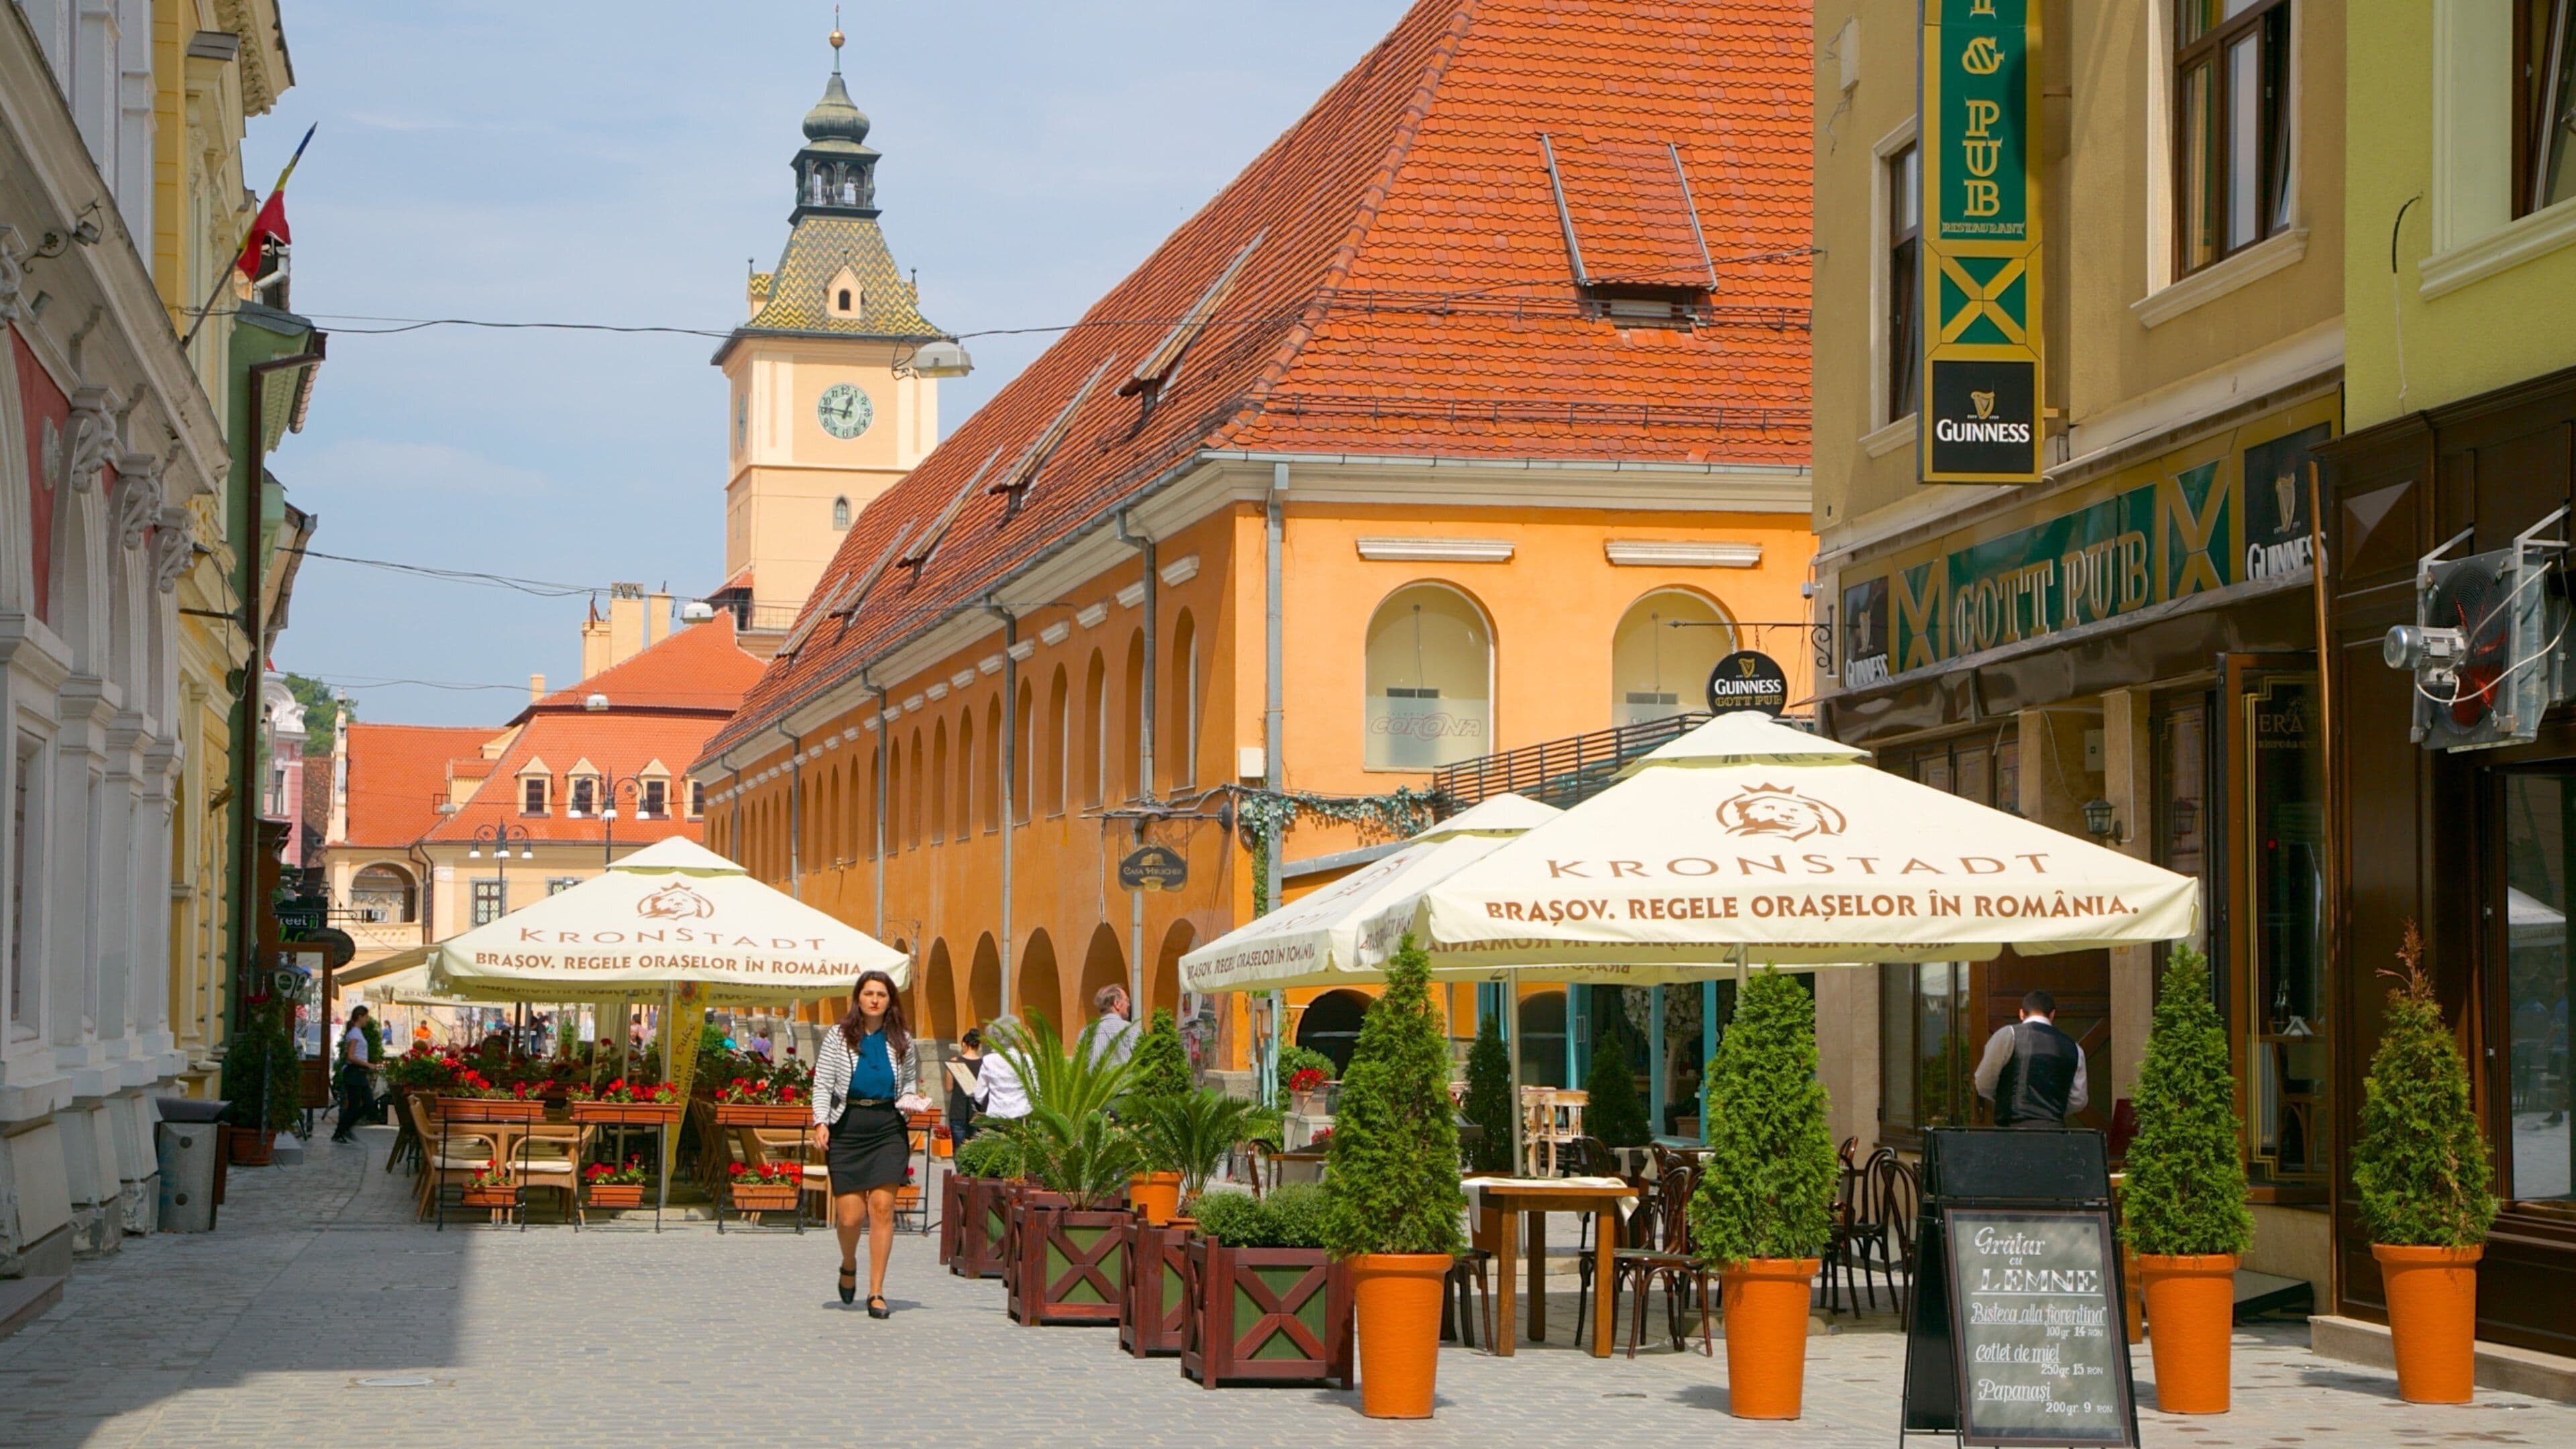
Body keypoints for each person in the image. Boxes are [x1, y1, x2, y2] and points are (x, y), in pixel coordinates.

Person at [810, 971, 918, 1318]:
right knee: (850, 1216)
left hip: (888, 1127)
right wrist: (821, 1121)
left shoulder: (903, 1040)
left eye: (881, 994)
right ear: (858, 997)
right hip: (848, 1127)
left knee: (883, 1208)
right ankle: (848, 1262)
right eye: (869, 993)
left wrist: (911, 1101)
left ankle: (876, 1292)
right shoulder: (838, 1036)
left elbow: (909, 1084)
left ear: (890, 1001)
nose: (874, 1000)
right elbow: (823, 1083)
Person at [1973, 989, 2090, 1130]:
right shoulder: (2074, 1047)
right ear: (2052, 1014)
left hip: (2011, 1128)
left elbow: (1983, 1081)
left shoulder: (2009, 1035)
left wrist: (2004, 1099)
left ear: (2021, 1013)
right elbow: (2079, 1099)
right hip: (2054, 1130)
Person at [330, 1006, 379, 1144]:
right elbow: (351, 1057)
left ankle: (344, 1128)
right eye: (366, 1017)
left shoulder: (357, 1033)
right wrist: (368, 1064)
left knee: (367, 1104)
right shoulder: (355, 1034)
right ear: (360, 1017)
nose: (367, 1020)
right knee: (355, 1105)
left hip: (359, 1074)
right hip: (354, 1073)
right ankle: (341, 1131)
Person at [971, 1017, 1030, 1124]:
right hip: (1022, 1116)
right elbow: (1036, 1091)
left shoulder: (988, 1060)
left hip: (996, 1116)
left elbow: (979, 1095)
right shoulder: (1028, 1060)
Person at [944, 1028, 986, 1145]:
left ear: (964, 1044)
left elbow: (948, 1088)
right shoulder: (984, 1064)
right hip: (978, 1112)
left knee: (959, 1150)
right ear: (978, 1046)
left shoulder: (954, 1062)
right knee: (976, 1151)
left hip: (958, 1111)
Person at [1088, 985, 1139, 1067]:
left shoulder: (1086, 1032)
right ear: (1117, 1004)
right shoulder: (1131, 1030)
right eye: (1126, 1000)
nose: (1129, 1004)